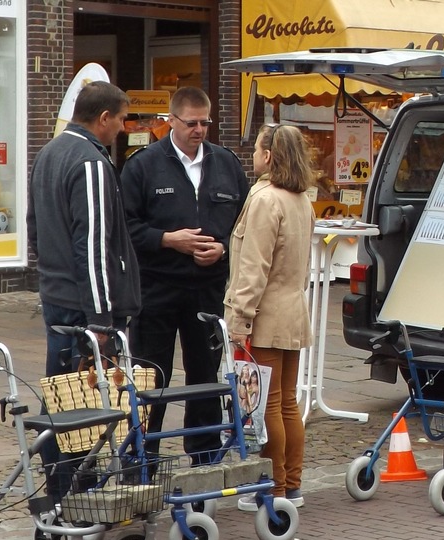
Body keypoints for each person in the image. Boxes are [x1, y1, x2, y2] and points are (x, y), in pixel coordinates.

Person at [121, 87, 249, 467]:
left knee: (205, 375)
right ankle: (143, 457)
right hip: (156, 287)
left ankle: (205, 454)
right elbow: (125, 227)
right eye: (191, 123)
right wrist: (167, 239)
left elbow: (245, 223)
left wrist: (224, 247)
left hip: (207, 290)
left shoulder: (226, 164)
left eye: (205, 122)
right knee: (150, 376)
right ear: (171, 121)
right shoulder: (143, 165)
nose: (199, 130)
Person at [28, 81, 141, 498]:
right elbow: (91, 246)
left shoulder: (48, 153)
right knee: (79, 399)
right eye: (122, 119)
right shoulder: (89, 161)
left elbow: (34, 229)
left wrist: (50, 277)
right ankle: (72, 488)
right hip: (83, 306)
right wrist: (100, 320)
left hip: (57, 296)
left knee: (60, 392)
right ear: (104, 118)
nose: (124, 128)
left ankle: (63, 484)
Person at [224, 123, 315, 510]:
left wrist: (238, 320)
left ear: (268, 155)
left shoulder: (265, 199)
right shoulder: (302, 200)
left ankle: (272, 488)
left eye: (258, 149)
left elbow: (253, 268)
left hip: (266, 313)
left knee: (269, 405)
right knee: (288, 402)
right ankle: (291, 484)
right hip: (293, 310)